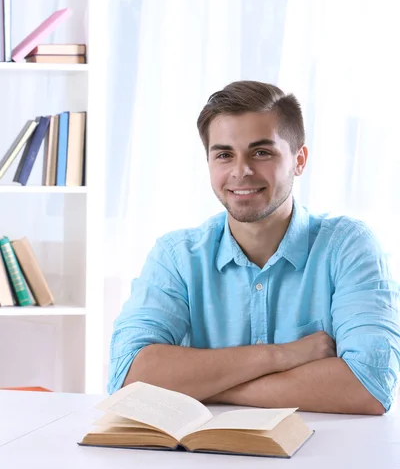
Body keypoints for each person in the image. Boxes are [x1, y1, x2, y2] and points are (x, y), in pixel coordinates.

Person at [108, 80, 400, 414]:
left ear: (299, 160)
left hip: (321, 460)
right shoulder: (177, 256)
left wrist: (206, 387)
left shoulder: (348, 247)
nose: (241, 171)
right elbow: (128, 375)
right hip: (202, 463)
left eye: (261, 152)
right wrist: (283, 355)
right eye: (224, 155)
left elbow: (369, 387)